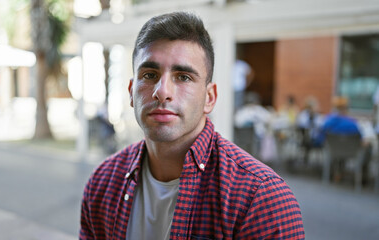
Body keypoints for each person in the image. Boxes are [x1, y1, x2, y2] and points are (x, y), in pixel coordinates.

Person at [80, 12, 304, 240]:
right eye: (149, 74)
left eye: (183, 77)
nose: (162, 92)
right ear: (131, 92)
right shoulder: (103, 183)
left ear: (209, 98)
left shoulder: (261, 200)